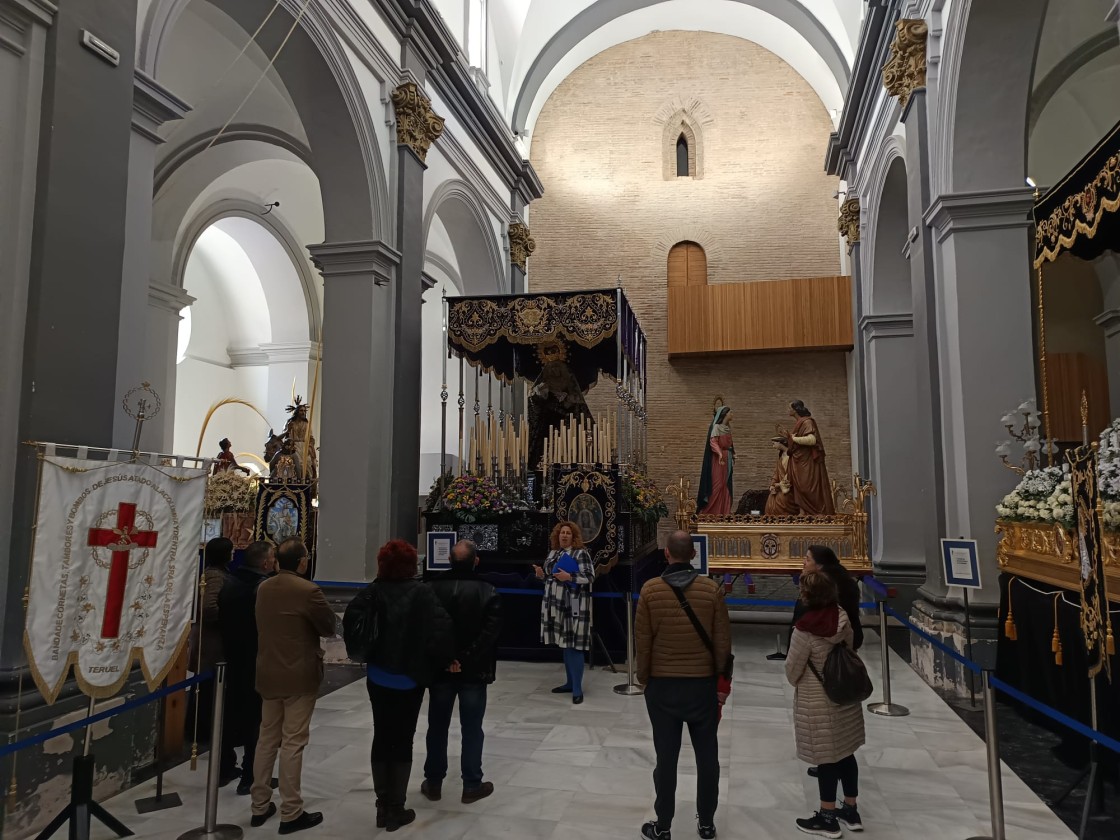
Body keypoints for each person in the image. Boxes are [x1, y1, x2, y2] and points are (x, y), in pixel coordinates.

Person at [635, 530, 731, 840]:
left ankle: (663, 825)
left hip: (662, 687)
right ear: (693, 555)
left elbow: (643, 641)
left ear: (666, 554)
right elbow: (722, 642)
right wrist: (719, 681)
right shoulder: (711, 590)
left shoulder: (650, 591)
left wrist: (644, 677)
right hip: (701, 685)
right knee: (707, 757)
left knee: (666, 758)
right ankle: (706, 823)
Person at [362, 540, 454, 831]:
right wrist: (442, 661)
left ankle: (381, 805)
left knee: (381, 735)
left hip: (378, 676)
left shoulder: (372, 592)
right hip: (408, 679)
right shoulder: (422, 593)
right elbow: (441, 632)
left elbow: (354, 623)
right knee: (402, 738)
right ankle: (396, 808)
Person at [249, 537, 336, 834]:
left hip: (268, 672)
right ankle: (291, 811)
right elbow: (328, 626)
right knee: (293, 742)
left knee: (267, 739)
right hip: (298, 675)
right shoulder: (308, 590)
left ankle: (259, 805)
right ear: (302, 561)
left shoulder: (263, 588)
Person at [421, 539, 502, 806]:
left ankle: (433, 782)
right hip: (474, 671)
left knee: (437, 726)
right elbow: (489, 634)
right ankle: (472, 784)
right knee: (472, 727)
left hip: (441, 670)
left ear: (449, 561)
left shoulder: (431, 588)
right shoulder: (487, 590)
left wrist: (448, 659)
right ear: (476, 560)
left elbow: (428, 630)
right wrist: (465, 659)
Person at [786, 571, 866, 838]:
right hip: (844, 696)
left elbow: (792, 671)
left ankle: (827, 816)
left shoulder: (804, 629)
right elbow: (851, 645)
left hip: (818, 700)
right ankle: (851, 810)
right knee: (846, 752)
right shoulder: (841, 616)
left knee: (826, 758)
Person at [218, 540, 277, 796]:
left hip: (231, 656)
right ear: (265, 563)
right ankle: (251, 775)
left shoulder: (229, 583)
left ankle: (223, 768)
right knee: (257, 719)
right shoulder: (263, 588)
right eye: (273, 557)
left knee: (230, 713)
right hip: (256, 657)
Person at [188, 537, 234, 782]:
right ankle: (205, 730)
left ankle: (205, 727)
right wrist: (232, 616)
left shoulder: (214, 573)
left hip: (209, 639)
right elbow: (209, 607)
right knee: (209, 689)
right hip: (212, 641)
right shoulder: (216, 576)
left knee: (209, 688)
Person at [768, 545, 863, 663]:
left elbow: (802, 631)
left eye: (808, 559)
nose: (804, 563)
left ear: (819, 565)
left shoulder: (816, 592)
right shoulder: (846, 583)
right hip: (845, 651)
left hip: (816, 657)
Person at [534, 521, 595, 703]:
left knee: (575, 643)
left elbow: (590, 576)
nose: (564, 536)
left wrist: (570, 577)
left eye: (568, 533)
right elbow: (550, 575)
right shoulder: (554, 553)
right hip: (556, 603)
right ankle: (569, 683)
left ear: (573, 536)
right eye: (562, 533)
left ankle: (577, 689)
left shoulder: (580, 554)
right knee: (565, 642)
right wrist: (541, 575)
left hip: (574, 603)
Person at [779, 400, 835, 515]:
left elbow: (811, 440)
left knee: (807, 486)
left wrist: (791, 438)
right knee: (799, 486)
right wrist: (789, 437)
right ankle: (802, 511)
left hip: (807, 462)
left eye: (789, 408)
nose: (788, 410)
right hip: (798, 460)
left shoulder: (807, 422)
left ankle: (815, 512)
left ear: (795, 409)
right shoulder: (799, 423)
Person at [697, 402, 734, 515]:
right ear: (725, 414)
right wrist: (720, 454)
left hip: (726, 459)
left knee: (724, 484)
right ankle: (709, 513)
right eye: (730, 412)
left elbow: (730, 445)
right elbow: (713, 442)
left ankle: (723, 512)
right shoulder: (716, 427)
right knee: (716, 485)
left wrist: (732, 453)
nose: (732, 414)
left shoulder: (727, 428)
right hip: (718, 460)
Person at [764, 436, 799, 516]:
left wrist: (781, 484)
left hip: (789, 487)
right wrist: (773, 484)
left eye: (774, 444)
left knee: (782, 498)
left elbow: (793, 473)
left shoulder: (792, 457)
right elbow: (776, 473)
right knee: (771, 498)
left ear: (780, 443)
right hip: (779, 487)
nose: (773, 446)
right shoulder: (781, 457)